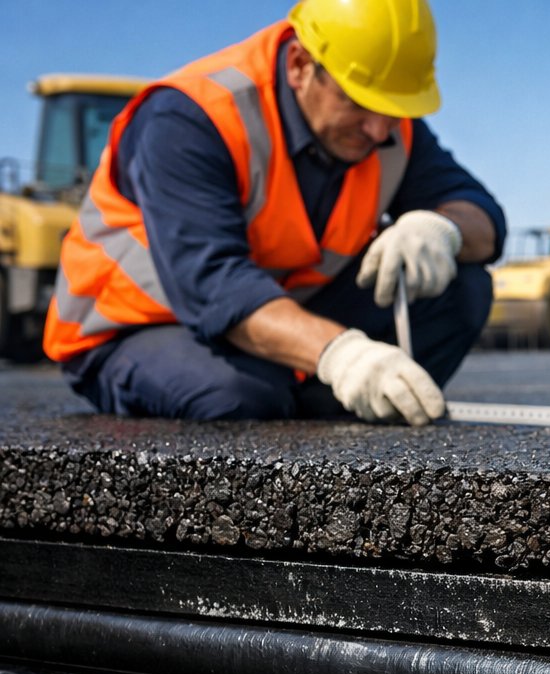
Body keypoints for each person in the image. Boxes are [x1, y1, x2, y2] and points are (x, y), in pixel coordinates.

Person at [43, 0, 506, 427]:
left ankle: (327, 415)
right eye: (360, 102)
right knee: (239, 395)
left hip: (282, 317)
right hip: (137, 326)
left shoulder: (388, 126)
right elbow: (216, 288)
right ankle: (295, 399)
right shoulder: (192, 117)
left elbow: (483, 217)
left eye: (392, 108)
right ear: (301, 66)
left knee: (463, 288)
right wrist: (341, 355)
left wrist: (442, 229)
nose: (379, 129)